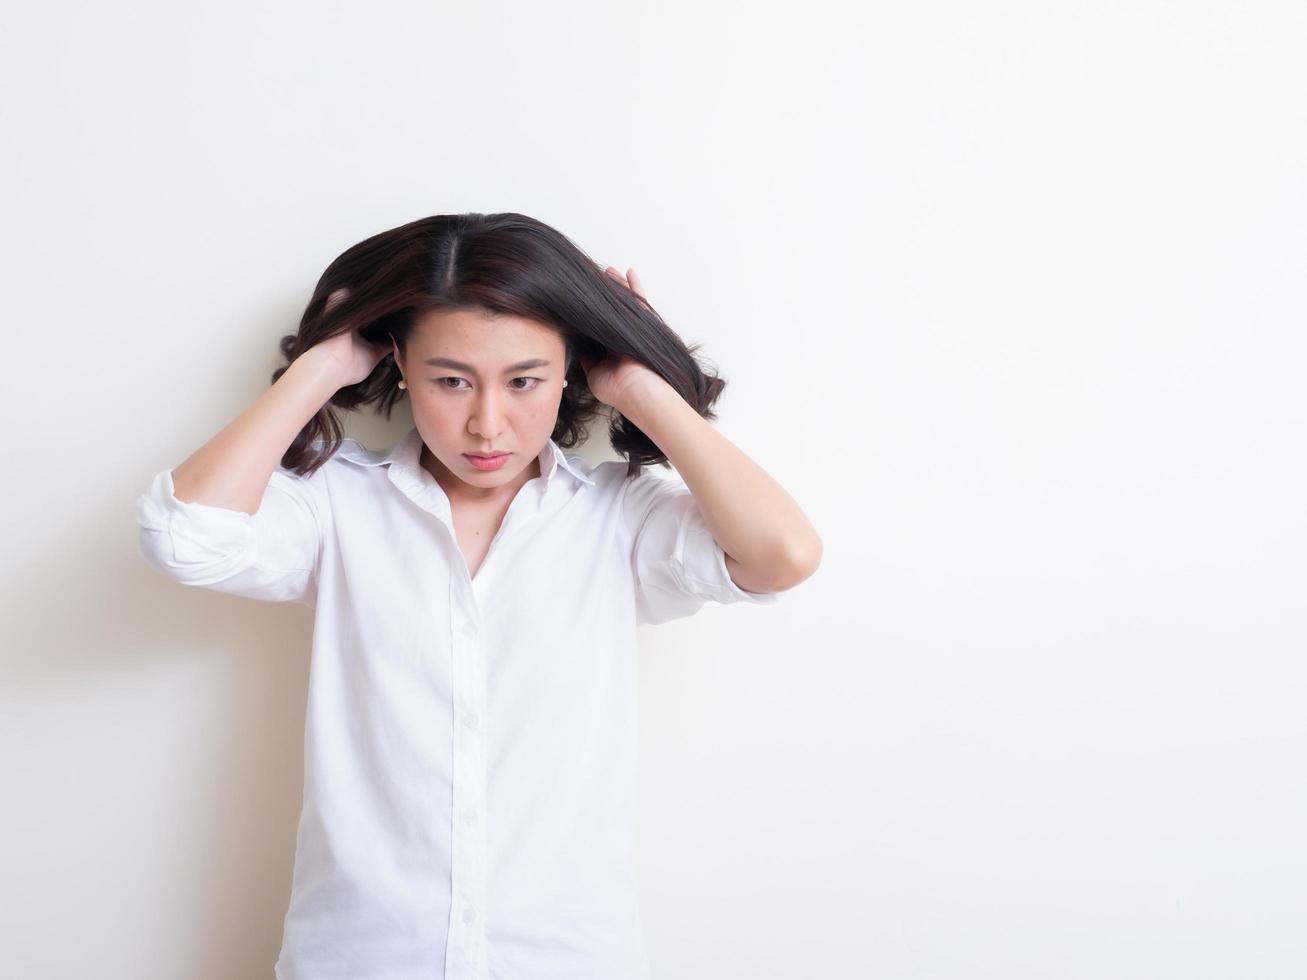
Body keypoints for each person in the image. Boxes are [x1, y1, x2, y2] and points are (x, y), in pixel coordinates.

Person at [134, 212, 821, 980]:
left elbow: (782, 556)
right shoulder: (336, 507)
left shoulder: (619, 518)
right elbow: (184, 538)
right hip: (360, 959)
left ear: (569, 370)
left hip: (566, 961)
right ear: (396, 362)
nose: (486, 423)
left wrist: (636, 382)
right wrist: (322, 365)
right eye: (450, 379)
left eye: (523, 380)